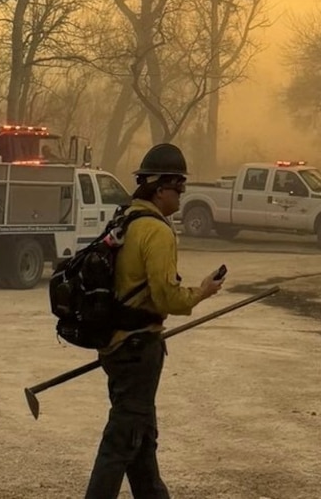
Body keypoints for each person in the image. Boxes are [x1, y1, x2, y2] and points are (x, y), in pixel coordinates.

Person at [85, 143, 224, 499]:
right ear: (161, 188)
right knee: (121, 443)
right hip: (138, 350)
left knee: (141, 440)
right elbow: (166, 298)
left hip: (115, 347)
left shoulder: (125, 219)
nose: (181, 197)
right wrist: (203, 291)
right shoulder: (158, 231)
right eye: (179, 188)